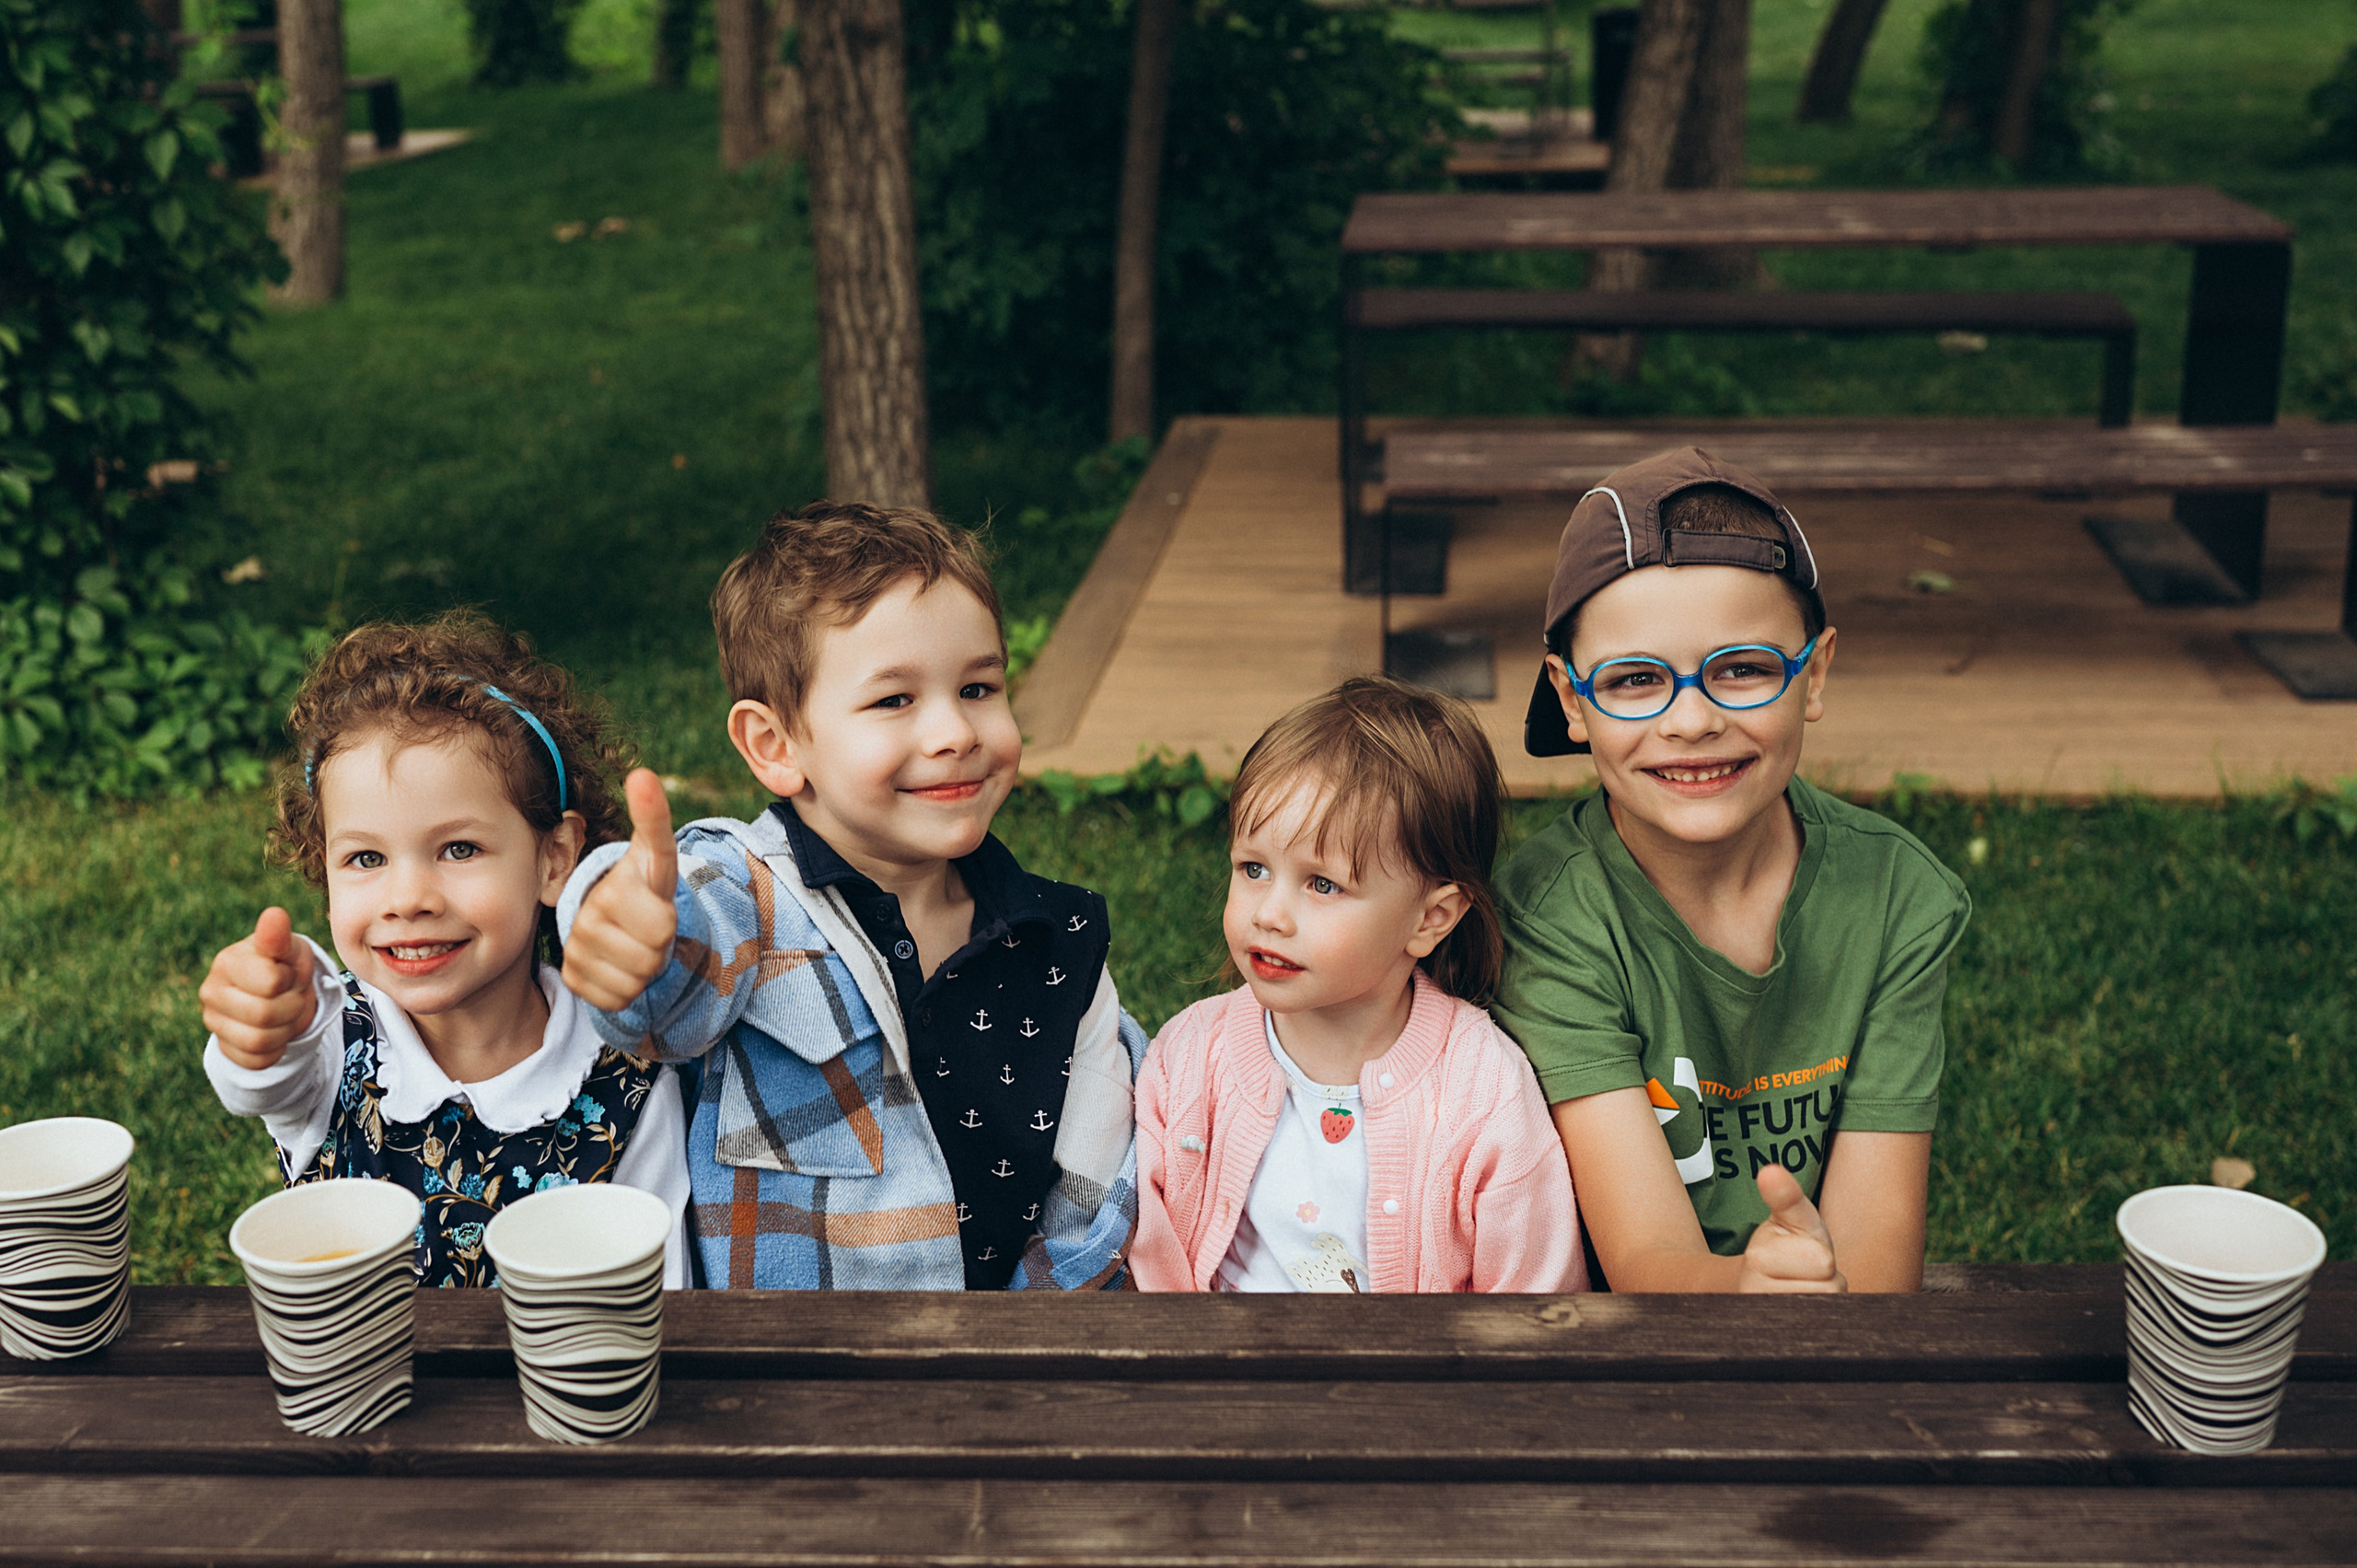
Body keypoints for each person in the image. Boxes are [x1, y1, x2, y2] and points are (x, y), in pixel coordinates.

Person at [557, 501, 1144, 1290]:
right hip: (792, 1376)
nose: (956, 732)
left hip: (1011, 1364)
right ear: (776, 745)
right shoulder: (749, 896)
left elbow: (1091, 1193)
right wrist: (621, 926)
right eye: (894, 700)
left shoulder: (1060, 939)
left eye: (978, 687)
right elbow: (669, 981)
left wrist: (1023, 1347)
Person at [1494, 447, 1970, 1294]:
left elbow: (1877, 1266)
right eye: (1635, 679)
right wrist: (1753, 1292)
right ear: (1571, 701)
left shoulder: (1898, 897)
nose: (1691, 720)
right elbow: (1644, 1259)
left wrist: (1818, 1291)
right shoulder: (1548, 913)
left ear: (1813, 673)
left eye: (1743, 669)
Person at [200, 613, 691, 1287]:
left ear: (554, 858)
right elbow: (257, 1074)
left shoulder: (628, 1081)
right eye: (365, 857)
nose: (409, 897)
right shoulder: (329, 1046)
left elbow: (658, 1306)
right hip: (355, 1389)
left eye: (459, 848)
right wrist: (259, 1021)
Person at [1132, 678, 1583, 1294]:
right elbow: (1149, 1263)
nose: (1270, 913)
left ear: (1431, 919)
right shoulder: (1187, 1058)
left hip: (1415, 1386)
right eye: (1254, 868)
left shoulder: (1485, 1090)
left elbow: (1536, 1302)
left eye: (1322, 884)